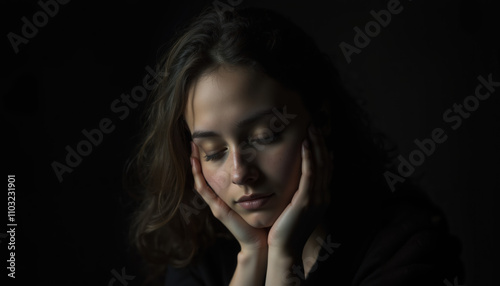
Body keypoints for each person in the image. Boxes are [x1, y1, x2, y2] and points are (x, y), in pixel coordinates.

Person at [127, 5, 464, 286]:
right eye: (214, 152)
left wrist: (283, 259)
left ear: (320, 119)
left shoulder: (404, 248)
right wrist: (252, 257)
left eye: (264, 137)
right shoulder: (197, 252)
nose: (240, 173)